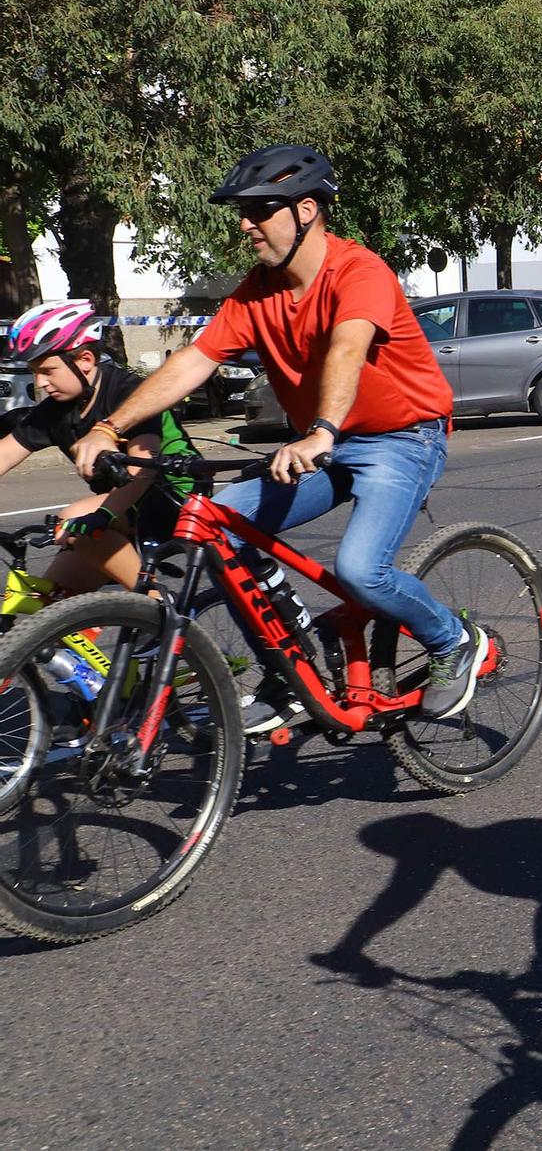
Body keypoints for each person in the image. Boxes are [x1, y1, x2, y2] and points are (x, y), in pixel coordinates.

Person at [73, 143, 483, 734]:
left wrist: (320, 429)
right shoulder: (256, 291)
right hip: (324, 445)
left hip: (401, 439)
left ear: (307, 210)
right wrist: (110, 426)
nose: (246, 224)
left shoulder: (358, 271)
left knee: (362, 569)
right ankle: (285, 670)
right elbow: (194, 361)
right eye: (243, 210)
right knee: (214, 527)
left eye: (261, 208)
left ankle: (452, 642)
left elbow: (347, 347)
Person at [0, 301, 202, 594]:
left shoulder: (129, 393)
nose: (41, 383)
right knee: (52, 606)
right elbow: (4, 454)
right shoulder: (55, 410)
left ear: (84, 360)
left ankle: (159, 607)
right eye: (35, 372)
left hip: (174, 497)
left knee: (72, 520)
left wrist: (103, 515)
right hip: (122, 508)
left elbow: (142, 469)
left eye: (47, 371)